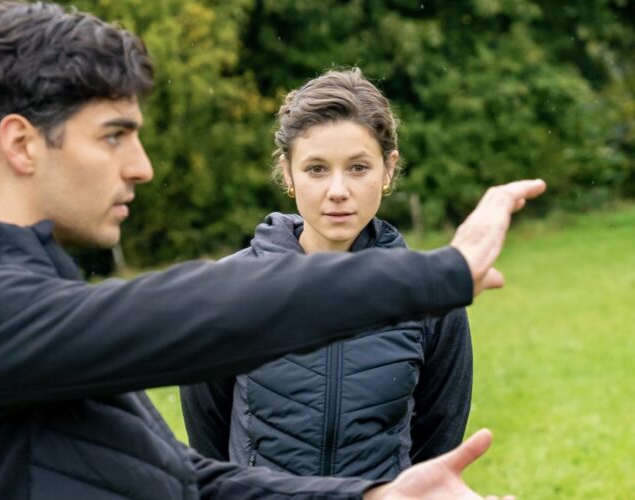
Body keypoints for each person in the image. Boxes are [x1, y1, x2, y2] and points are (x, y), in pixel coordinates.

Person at [0, 1, 545, 499]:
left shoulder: (34, 304)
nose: (142, 166)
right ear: (22, 144)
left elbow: (184, 478)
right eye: (115, 135)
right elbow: (199, 313)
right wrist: (441, 272)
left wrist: (372, 498)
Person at [181, 69, 472, 481]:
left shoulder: (433, 302)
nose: (338, 190)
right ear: (287, 171)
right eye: (316, 169)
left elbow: (436, 446)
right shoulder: (225, 292)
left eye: (357, 167)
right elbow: (208, 441)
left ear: (388, 169)